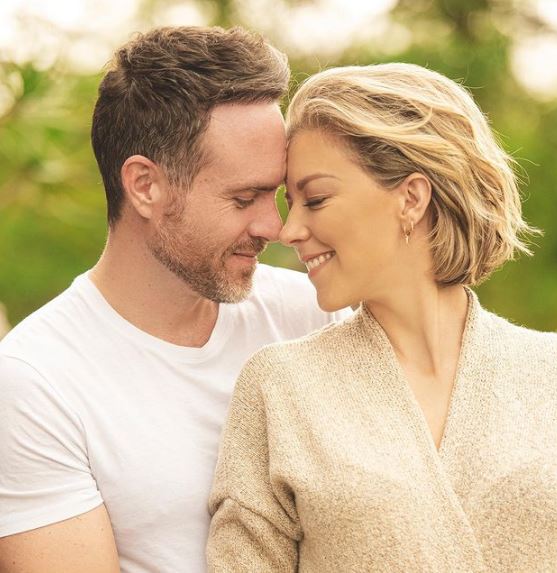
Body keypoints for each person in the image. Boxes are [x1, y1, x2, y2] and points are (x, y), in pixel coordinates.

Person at [0, 27, 348, 573]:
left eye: (276, 194)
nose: (275, 226)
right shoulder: (36, 382)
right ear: (145, 185)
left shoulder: (315, 314)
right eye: (244, 198)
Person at [207, 63, 557, 572]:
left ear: (411, 198)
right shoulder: (280, 387)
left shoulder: (552, 373)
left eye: (315, 199)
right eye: (292, 204)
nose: (289, 230)